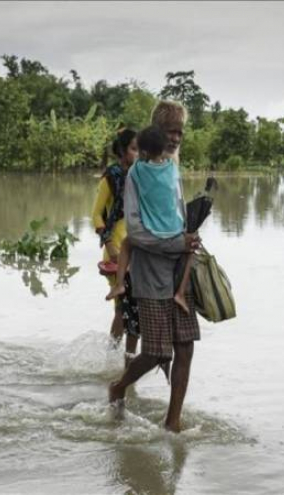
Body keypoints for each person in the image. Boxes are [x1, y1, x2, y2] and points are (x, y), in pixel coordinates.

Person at [108, 101, 201, 433]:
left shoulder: (172, 169)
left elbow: (175, 215)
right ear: (158, 134)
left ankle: (172, 421)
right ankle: (119, 386)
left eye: (180, 132)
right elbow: (135, 231)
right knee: (157, 351)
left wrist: (191, 234)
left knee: (186, 345)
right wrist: (177, 243)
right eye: (171, 132)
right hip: (149, 273)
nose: (176, 138)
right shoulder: (137, 175)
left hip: (178, 268)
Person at [105, 126, 194, 315]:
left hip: (152, 231)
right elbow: (179, 202)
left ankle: (119, 284)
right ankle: (180, 293)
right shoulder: (172, 169)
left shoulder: (136, 172)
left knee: (127, 243)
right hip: (175, 229)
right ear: (164, 148)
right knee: (191, 248)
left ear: (143, 152)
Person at [92, 128, 140, 365]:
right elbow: (96, 216)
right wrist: (110, 245)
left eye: (140, 149)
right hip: (115, 247)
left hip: (136, 246)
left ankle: (122, 361)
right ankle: (114, 359)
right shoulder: (110, 177)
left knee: (131, 307)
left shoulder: (140, 176)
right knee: (122, 306)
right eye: (133, 149)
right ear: (122, 151)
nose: (138, 154)